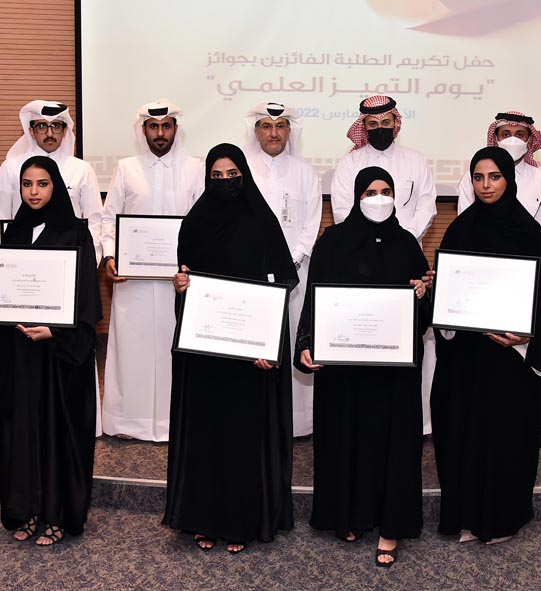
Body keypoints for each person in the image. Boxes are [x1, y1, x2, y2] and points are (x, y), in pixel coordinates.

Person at [163, 144, 297, 555]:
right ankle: (205, 519)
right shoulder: (195, 223)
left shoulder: (262, 221)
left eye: (232, 174)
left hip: (247, 358)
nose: (224, 182)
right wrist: (180, 286)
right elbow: (186, 278)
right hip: (206, 355)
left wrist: (270, 346)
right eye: (216, 176)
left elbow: (279, 286)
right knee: (207, 437)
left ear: (244, 176)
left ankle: (241, 522)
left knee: (242, 439)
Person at [294, 166, 430, 568]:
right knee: (347, 435)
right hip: (345, 370)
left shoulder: (407, 243)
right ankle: (348, 514)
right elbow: (315, 296)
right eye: (370, 192)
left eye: (386, 191)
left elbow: (423, 311)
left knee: (392, 443)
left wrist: (423, 293)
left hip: (393, 373)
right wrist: (307, 343)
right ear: (356, 197)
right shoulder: (333, 241)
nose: (379, 198)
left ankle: (391, 526)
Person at [431, 147, 541, 545]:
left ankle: (503, 519)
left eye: (494, 177)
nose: (486, 185)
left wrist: (527, 335)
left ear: (509, 178)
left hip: (509, 361)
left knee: (506, 437)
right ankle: (465, 516)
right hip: (468, 359)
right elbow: (449, 298)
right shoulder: (460, 229)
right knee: (465, 433)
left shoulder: (528, 232)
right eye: (478, 177)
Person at [0, 156, 102, 546]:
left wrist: (56, 331)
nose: (33, 192)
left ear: (56, 187)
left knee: (56, 432)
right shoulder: (13, 232)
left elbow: (87, 299)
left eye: (42, 184)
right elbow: (3, 295)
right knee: (20, 431)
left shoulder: (76, 234)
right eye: (27, 184)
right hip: (19, 355)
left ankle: (58, 515)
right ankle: (26, 509)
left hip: (58, 359)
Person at [330, 95, 439, 435]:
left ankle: (414, 422)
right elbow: (342, 209)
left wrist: (400, 241)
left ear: (396, 123)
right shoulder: (349, 164)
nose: (380, 128)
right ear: (363, 126)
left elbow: (427, 204)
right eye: (372, 124)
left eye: (385, 122)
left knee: (405, 342)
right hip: (358, 263)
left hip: (405, 258)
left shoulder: (415, 160)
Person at [100, 99, 204, 442]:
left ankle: (176, 423)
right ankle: (129, 422)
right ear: (143, 130)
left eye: (166, 126)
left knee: (174, 349)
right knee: (133, 351)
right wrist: (111, 257)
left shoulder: (195, 168)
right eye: (153, 127)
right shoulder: (126, 168)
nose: (160, 133)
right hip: (134, 282)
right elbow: (109, 220)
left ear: (176, 128)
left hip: (179, 282)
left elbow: (204, 223)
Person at [243, 101, 322, 437]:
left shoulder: (305, 173)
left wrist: (293, 260)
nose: (273, 133)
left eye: (280, 126)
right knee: (255, 343)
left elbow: (313, 221)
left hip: (296, 272)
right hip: (253, 276)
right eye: (266, 126)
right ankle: (257, 419)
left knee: (293, 342)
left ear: (289, 131)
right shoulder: (244, 170)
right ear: (256, 131)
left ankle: (297, 422)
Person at [0, 100, 103, 263]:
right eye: (42, 126)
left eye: (56, 126)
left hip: (67, 258)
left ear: (65, 131)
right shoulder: (11, 167)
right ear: (31, 131)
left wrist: (89, 261)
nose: (49, 133)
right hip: (20, 256)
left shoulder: (82, 169)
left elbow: (94, 220)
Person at [456, 111, 541, 246]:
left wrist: (531, 253)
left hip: (529, 254)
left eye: (519, 135)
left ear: (529, 140)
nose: (512, 140)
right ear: (496, 139)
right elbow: (466, 222)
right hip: (479, 251)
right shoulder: (472, 177)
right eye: (505, 135)